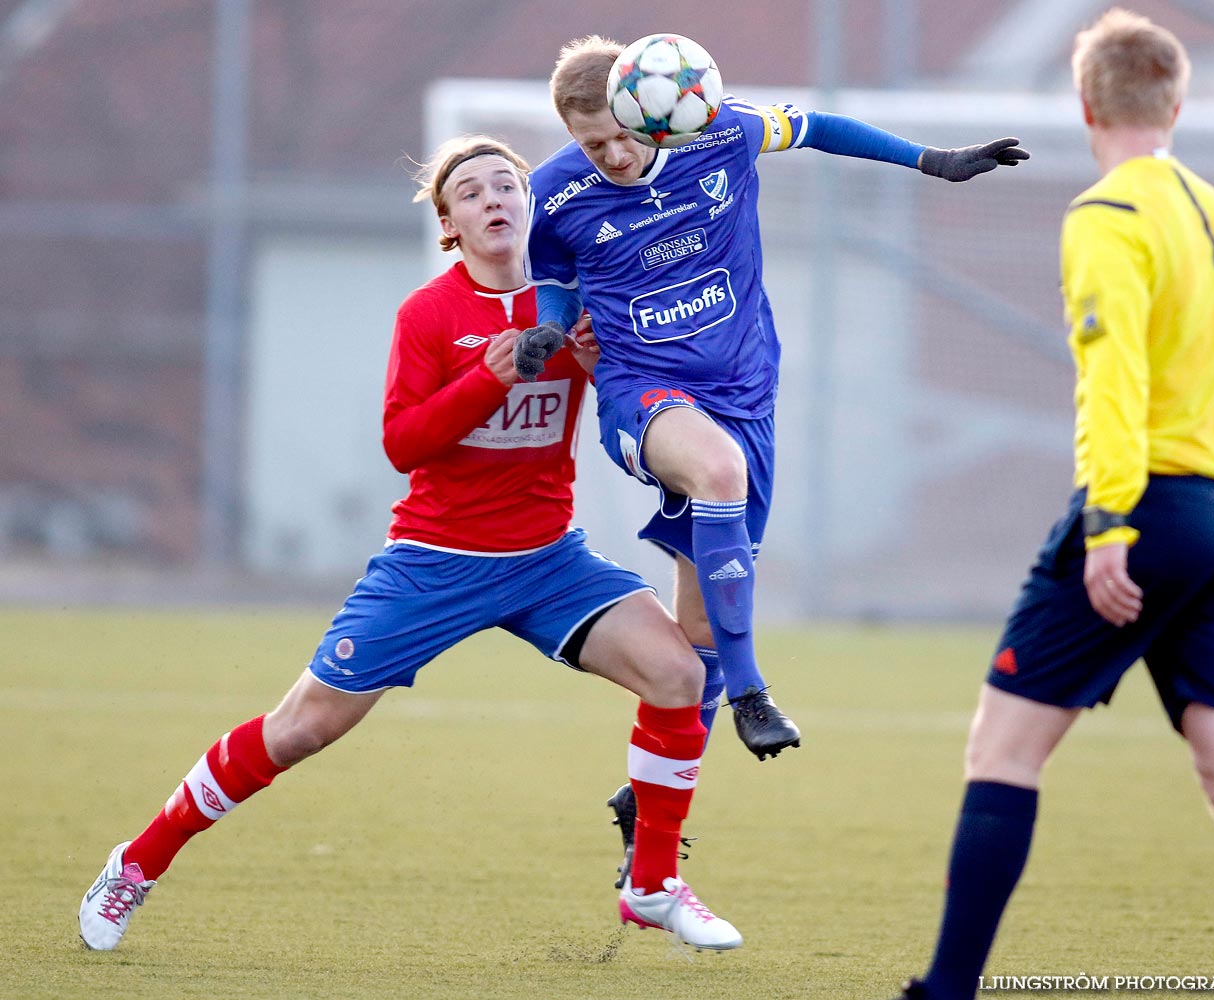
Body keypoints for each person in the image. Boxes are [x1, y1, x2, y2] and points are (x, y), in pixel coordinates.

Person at [77, 134, 743, 955]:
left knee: (678, 673)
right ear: (449, 228)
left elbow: (630, 404)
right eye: (471, 192)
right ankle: (135, 865)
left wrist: (608, 369)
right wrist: (489, 377)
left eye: (508, 185)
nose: (494, 198)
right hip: (435, 562)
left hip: (548, 560)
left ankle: (650, 887)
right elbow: (404, 444)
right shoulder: (429, 314)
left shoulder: (572, 301)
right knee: (300, 729)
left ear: (529, 207)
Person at [515, 35, 1028, 881]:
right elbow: (555, 276)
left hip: (745, 392)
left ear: (652, 111)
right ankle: (754, 691)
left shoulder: (716, 131)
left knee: (696, 637)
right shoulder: (555, 192)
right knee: (718, 474)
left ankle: (645, 796)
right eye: (590, 143)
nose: (609, 155)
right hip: (642, 395)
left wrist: (934, 161)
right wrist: (543, 328)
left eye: (619, 136)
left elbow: (819, 124)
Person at [894, 10, 1214, 998]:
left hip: (1152, 508)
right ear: (1176, 103)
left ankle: (943, 989)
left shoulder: (1106, 216)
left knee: (1004, 746)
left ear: (1082, 105)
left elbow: (1110, 380)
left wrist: (1109, 521)